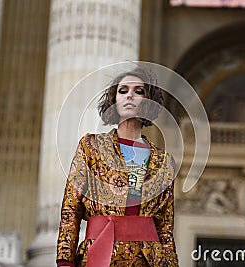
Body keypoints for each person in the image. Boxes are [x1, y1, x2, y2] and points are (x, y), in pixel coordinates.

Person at [56, 67, 179, 267]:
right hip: (99, 254)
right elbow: (71, 208)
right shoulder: (91, 146)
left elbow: (165, 229)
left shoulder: (164, 162)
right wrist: (65, 260)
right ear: (114, 100)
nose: (130, 95)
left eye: (139, 91)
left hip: (148, 261)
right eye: (123, 90)